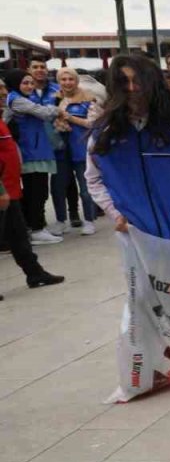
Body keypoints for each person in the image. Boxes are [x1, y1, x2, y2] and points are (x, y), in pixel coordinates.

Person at [86, 54, 170, 401]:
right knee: (143, 302)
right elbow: (94, 179)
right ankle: (146, 372)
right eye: (124, 82)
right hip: (136, 236)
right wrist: (116, 214)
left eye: (138, 80)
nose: (132, 89)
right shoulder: (104, 132)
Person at [0, 115, 65, 296]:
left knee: (19, 235)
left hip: (10, 191)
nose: (4, 94)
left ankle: (35, 274)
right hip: (2, 191)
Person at [3, 69, 62, 244]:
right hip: (30, 152)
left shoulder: (22, 98)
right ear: (15, 84)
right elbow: (45, 113)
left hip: (35, 150)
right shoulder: (17, 100)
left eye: (31, 83)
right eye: (25, 83)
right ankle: (36, 229)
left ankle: (35, 226)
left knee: (37, 190)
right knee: (36, 191)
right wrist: (56, 107)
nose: (29, 86)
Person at [54, 68, 98, 235]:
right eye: (63, 79)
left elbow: (92, 123)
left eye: (70, 79)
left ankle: (89, 220)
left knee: (85, 188)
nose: (67, 82)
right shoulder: (54, 99)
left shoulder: (88, 99)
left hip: (81, 148)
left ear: (77, 81)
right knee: (58, 187)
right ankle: (60, 221)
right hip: (60, 150)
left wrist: (71, 118)